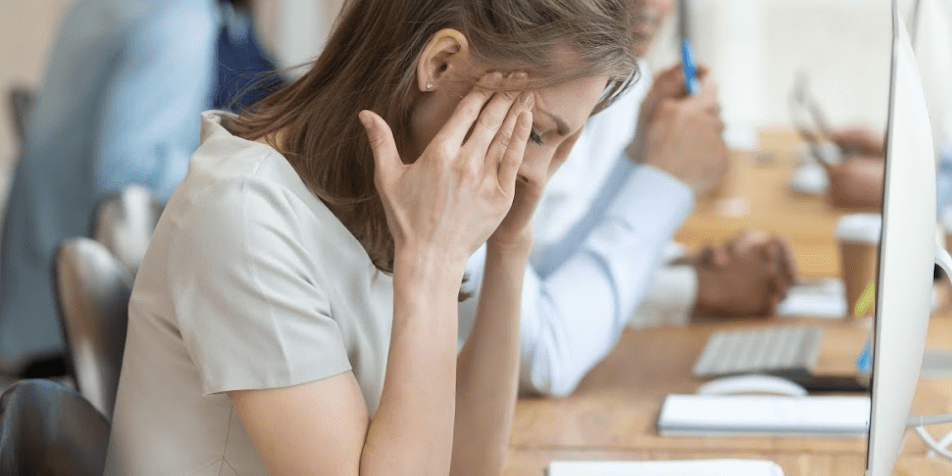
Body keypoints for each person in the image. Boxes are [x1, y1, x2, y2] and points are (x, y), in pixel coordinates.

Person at [104, 0, 639, 474]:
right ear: (440, 64)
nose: (538, 170)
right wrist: (431, 262)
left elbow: (467, 466)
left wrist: (508, 246)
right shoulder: (244, 214)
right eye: (538, 133)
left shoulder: (390, 203)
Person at [458, 0, 797, 398]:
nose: (650, 7)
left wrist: (639, 160)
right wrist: (663, 184)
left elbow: (535, 273)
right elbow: (546, 353)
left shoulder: (622, 77)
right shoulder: (488, 90)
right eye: (539, 134)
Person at [0, 0, 220, 374]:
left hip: (35, 294)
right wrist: (226, 175)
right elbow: (128, 174)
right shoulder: (178, 18)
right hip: (81, 322)